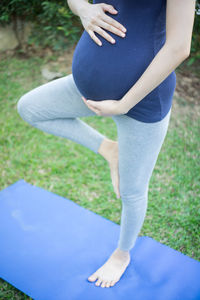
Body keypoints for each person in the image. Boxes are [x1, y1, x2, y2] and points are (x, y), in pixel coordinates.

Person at [17, 0, 196, 289]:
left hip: (142, 104)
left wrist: (124, 104)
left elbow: (179, 46)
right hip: (84, 88)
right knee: (30, 108)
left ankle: (121, 254)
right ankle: (108, 148)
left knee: (132, 189)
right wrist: (83, 9)